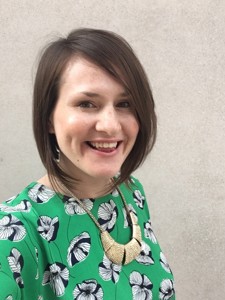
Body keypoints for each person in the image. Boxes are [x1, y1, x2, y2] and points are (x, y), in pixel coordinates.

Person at [0, 28, 175, 299]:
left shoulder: (131, 193)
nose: (110, 125)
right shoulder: (15, 231)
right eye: (86, 104)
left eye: (125, 103)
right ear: (48, 117)